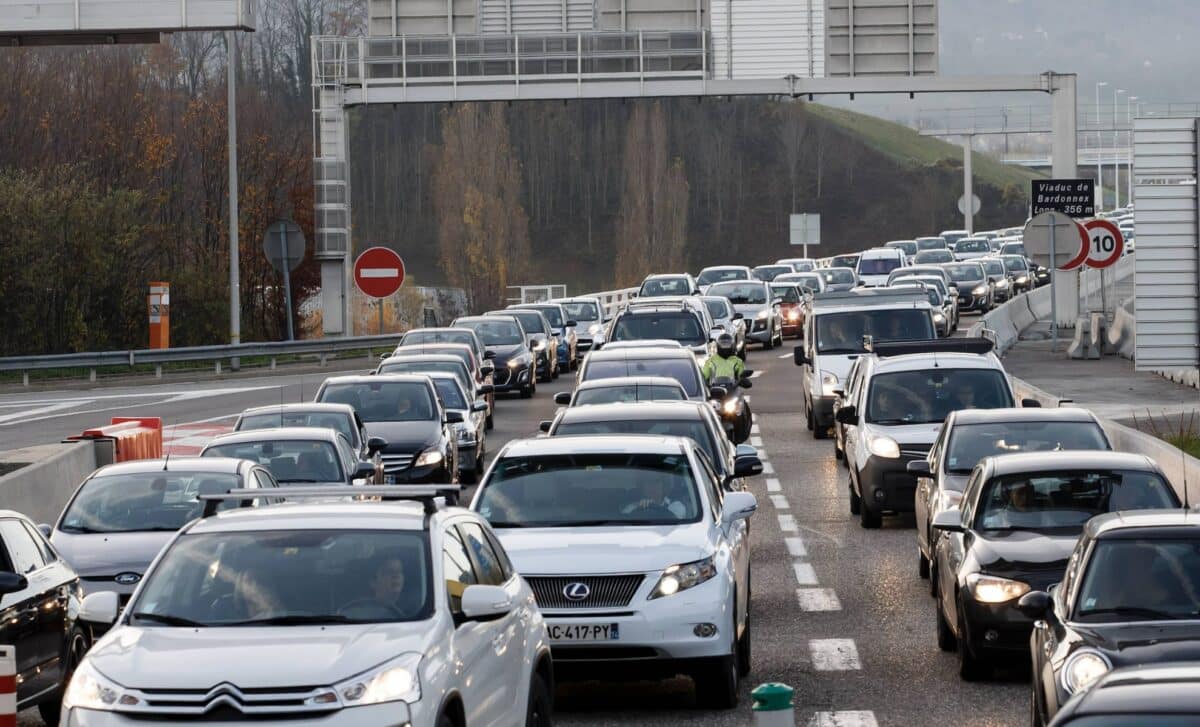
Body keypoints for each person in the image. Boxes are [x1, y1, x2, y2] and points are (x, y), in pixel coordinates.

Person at [623, 477, 688, 519]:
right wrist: (640, 509)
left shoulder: (676, 506)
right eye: (649, 482)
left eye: (657, 482)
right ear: (642, 488)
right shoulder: (632, 507)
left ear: (663, 486)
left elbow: (676, 526)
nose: (653, 487)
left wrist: (653, 506)